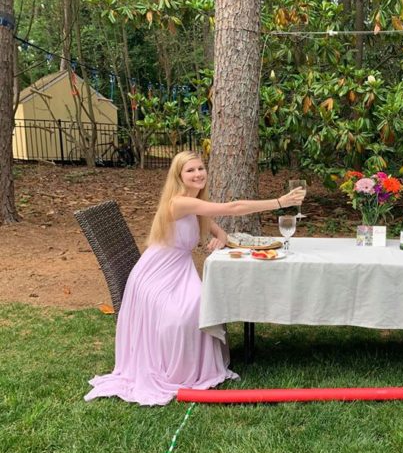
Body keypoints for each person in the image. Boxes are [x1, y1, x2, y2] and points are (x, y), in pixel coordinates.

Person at [84, 151, 305, 405]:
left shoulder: (195, 201)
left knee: (204, 302)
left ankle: (196, 365)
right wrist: (279, 201)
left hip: (180, 271)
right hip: (156, 276)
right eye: (190, 170)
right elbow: (233, 208)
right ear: (178, 176)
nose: (198, 173)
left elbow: (215, 226)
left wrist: (220, 237)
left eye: (201, 168)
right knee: (189, 310)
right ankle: (178, 370)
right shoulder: (179, 202)